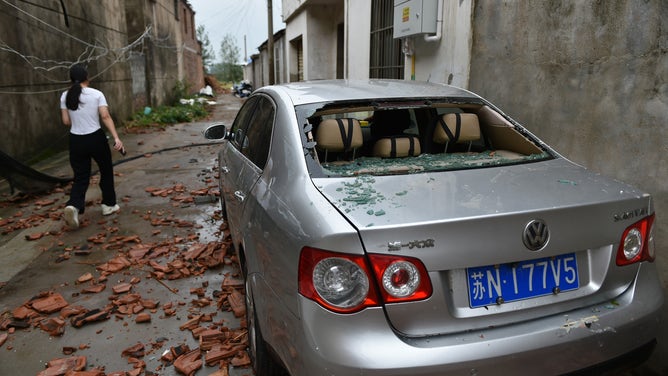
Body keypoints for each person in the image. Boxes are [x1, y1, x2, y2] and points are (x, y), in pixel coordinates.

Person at [60, 64, 123, 228]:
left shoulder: (65, 96)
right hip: (96, 138)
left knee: (81, 175)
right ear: (87, 77)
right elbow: (105, 116)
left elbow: (66, 121)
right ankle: (108, 205)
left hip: (76, 140)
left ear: (71, 78)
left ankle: (74, 205)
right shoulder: (96, 94)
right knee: (105, 170)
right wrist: (116, 137)